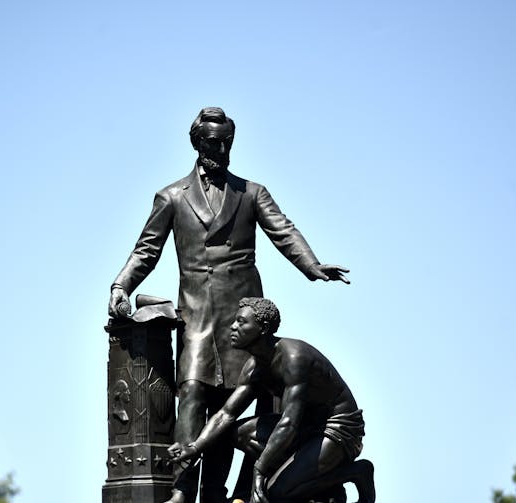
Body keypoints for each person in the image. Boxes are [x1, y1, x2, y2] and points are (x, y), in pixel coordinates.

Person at [108, 107, 350, 503]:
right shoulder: (172, 197)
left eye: (227, 142)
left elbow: (283, 230)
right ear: (197, 143)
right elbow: (147, 249)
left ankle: (225, 493)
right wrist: (121, 285)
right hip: (198, 316)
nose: (221, 149)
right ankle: (183, 490)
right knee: (192, 395)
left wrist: (312, 265)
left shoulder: (251, 192)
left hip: (244, 316)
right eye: (213, 142)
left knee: (237, 403)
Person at [168, 298, 375, 503]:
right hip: (305, 427)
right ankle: (302, 474)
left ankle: (355, 472)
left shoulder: (293, 357)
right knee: (238, 433)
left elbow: (288, 423)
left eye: (241, 322)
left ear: (263, 328)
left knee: (276, 494)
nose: (232, 327)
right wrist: (194, 447)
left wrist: (259, 469)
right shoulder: (254, 366)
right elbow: (226, 414)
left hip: (337, 430)